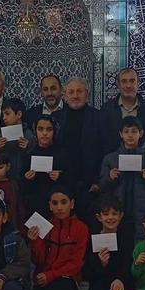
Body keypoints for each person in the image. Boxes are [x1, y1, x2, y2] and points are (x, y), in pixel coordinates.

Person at [52, 77, 111, 226]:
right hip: (63, 182)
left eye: (79, 91)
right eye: (71, 92)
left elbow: (106, 150)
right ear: (64, 95)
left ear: (87, 94)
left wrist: (98, 180)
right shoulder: (56, 117)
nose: (75, 95)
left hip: (90, 184)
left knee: (90, 225)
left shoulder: (99, 117)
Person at [25, 185, 87, 290]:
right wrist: (34, 241)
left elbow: (77, 262)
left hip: (66, 278)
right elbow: (39, 260)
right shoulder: (44, 227)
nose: (59, 208)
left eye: (64, 202)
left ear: (72, 204)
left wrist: (51, 275)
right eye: (55, 203)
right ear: (50, 206)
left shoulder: (81, 228)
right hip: (44, 277)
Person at [97, 116, 145, 243]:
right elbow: (101, 189)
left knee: (140, 249)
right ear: (120, 134)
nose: (130, 135)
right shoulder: (110, 158)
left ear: (141, 133)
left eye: (134, 131)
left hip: (142, 213)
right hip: (117, 213)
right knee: (120, 248)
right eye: (126, 132)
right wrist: (110, 178)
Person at [80, 194, 135, 290]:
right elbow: (87, 271)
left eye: (114, 214)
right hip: (99, 282)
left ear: (120, 216)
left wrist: (120, 279)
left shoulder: (126, 236)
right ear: (99, 217)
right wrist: (101, 263)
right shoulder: (94, 237)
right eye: (106, 214)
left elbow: (129, 263)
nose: (110, 218)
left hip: (119, 282)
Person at [22, 115, 73, 220]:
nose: (44, 133)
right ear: (35, 132)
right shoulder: (29, 156)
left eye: (49, 129)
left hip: (59, 209)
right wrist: (27, 179)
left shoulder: (63, 155)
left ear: (55, 132)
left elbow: (73, 181)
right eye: (40, 129)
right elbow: (22, 188)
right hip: (35, 208)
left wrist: (60, 177)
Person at [99, 68, 145, 142]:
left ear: (138, 84)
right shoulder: (107, 109)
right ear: (118, 85)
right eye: (124, 81)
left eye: (132, 81)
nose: (128, 85)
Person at [0, 97, 35, 180]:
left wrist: (27, 150)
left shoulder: (30, 136)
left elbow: (36, 160)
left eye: (7, 114)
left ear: (19, 114)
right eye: (3, 114)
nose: (4, 118)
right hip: (6, 180)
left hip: (25, 180)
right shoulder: (1, 137)